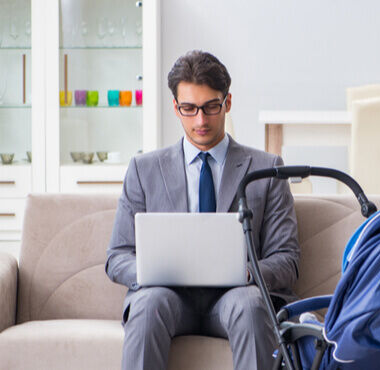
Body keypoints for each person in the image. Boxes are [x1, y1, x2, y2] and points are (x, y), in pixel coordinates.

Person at [105, 50, 300, 370]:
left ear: (228, 102)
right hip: (168, 298)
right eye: (189, 108)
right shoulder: (144, 169)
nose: (200, 120)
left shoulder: (267, 169)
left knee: (251, 305)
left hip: (236, 297)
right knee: (147, 303)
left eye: (211, 107)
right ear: (175, 108)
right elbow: (117, 256)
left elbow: (287, 259)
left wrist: (247, 273)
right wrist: (149, 272)